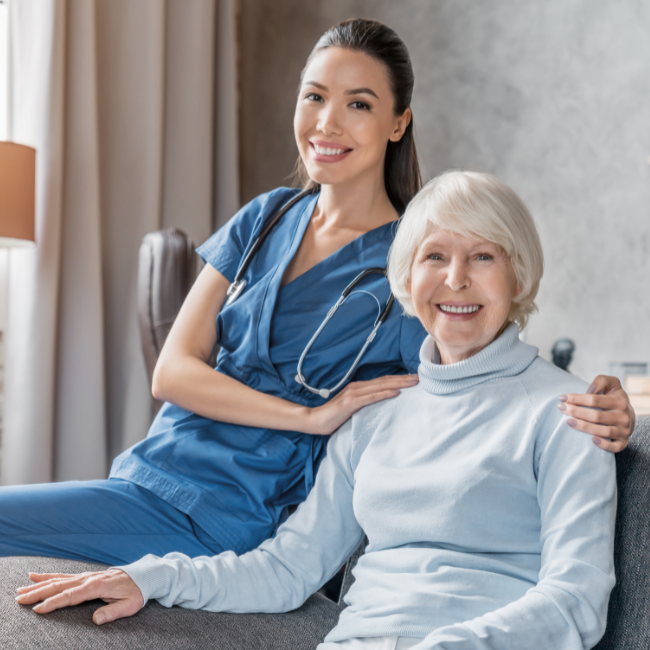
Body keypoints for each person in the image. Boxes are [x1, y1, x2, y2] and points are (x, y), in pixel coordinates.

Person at [0, 19, 632, 567]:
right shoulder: (267, 217)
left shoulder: (412, 259)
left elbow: (487, 369)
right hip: (150, 474)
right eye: (314, 97)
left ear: (397, 122)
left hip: (238, 513)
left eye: (358, 103)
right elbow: (172, 372)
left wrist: (599, 405)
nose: (328, 122)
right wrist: (309, 416)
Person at [17, 172, 617, 650]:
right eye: (435, 256)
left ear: (517, 274)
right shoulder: (378, 415)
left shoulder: (569, 413)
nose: (455, 280)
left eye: (483, 257)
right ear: (408, 276)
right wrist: (149, 577)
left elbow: (576, 600)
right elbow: (286, 570)